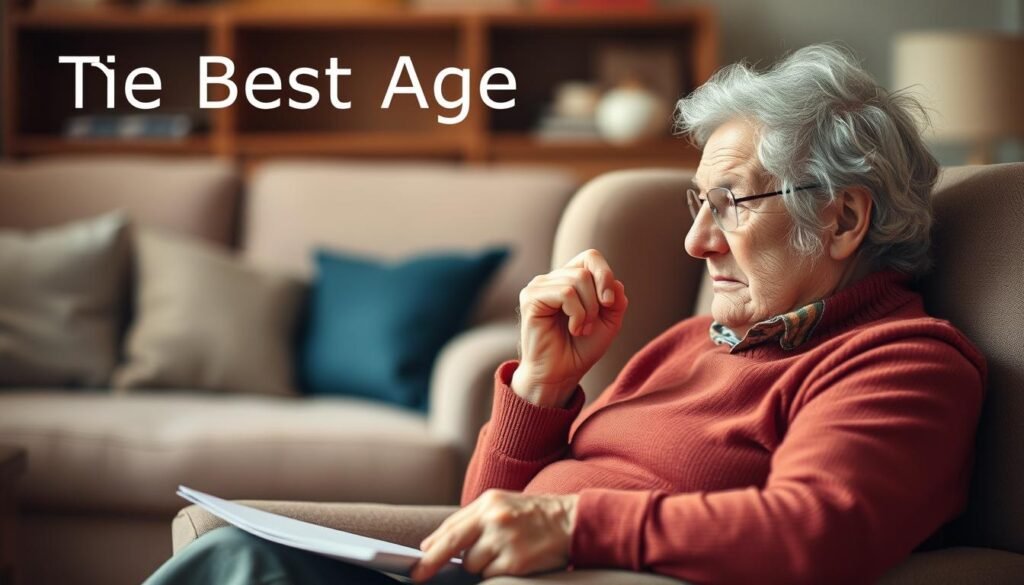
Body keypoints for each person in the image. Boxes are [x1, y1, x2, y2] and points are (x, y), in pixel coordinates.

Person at [144, 43, 986, 585]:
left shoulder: (901, 362)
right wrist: (541, 390)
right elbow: (482, 520)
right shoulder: (693, 343)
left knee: (243, 566)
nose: (697, 243)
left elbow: (816, 532)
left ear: (843, 219)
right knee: (234, 553)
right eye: (697, 203)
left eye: (729, 204)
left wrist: (576, 522)